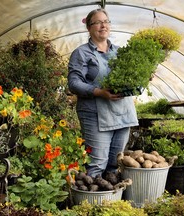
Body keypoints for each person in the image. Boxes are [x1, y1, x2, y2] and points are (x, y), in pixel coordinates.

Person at [67, 8, 139, 178]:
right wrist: (99, 92)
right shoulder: (81, 53)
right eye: (97, 22)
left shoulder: (120, 52)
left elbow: (130, 78)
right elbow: (74, 83)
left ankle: (110, 203)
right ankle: (90, 203)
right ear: (89, 28)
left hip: (122, 112)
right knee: (97, 163)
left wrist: (142, 77)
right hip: (95, 114)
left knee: (115, 163)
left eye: (106, 21)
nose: (103, 25)